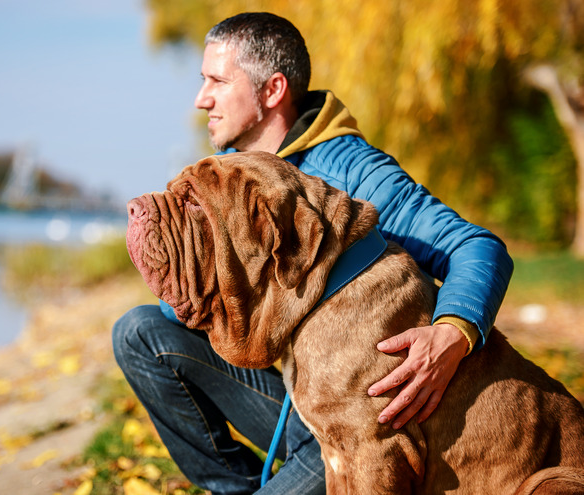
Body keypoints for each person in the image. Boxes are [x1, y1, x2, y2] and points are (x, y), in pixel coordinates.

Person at [113, 12, 513, 494]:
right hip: (287, 389)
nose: (202, 99)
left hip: (355, 406)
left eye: (217, 81)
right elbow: (186, 302)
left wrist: (453, 333)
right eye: (203, 81)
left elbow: (476, 247)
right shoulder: (228, 175)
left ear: (272, 90)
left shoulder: (353, 171)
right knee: (140, 333)